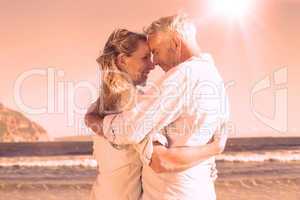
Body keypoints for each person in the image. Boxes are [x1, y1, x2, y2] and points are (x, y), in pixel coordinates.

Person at [86, 27, 228, 200]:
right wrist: (212, 149)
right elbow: (161, 160)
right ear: (123, 60)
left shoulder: (102, 102)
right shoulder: (134, 107)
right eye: (145, 57)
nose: (152, 64)